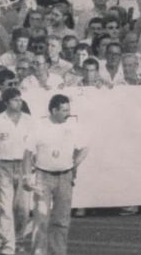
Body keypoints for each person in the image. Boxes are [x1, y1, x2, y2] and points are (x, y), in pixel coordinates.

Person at [31, 93, 87, 255]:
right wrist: (28, 175)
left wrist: (73, 164)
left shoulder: (73, 126)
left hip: (65, 177)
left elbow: (85, 147)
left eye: (68, 110)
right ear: (54, 110)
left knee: (61, 220)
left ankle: (58, 252)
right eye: (64, 110)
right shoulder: (40, 126)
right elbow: (28, 151)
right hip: (43, 177)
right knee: (41, 218)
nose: (68, 114)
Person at [0, 87, 36, 255]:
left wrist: (33, 168)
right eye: (15, 100)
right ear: (6, 102)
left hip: (24, 166)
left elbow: (35, 146)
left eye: (20, 100)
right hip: (2, 166)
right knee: (5, 208)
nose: (19, 103)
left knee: (23, 208)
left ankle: (19, 239)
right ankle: (8, 245)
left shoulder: (29, 121)